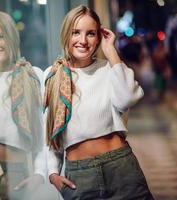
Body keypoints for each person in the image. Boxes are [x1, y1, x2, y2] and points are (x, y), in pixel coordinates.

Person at [43, 5, 154, 199]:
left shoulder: (109, 69)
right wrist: (53, 172)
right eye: (75, 32)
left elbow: (127, 98)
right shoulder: (53, 76)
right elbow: (51, 131)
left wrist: (111, 51)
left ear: (99, 37)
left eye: (91, 34)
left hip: (120, 167)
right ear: (66, 34)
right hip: (80, 176)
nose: (83, 40)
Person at [0, 10, 46, 200]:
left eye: (0, 36)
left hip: (16, 172)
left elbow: (43, 136)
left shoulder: (32, 77)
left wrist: (39, 174)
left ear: (11, 37)